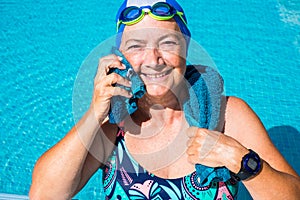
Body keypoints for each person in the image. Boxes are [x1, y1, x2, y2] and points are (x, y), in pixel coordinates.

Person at [29, 0, 300, 199]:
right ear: (119, 54)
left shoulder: (228, 117)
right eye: (136, 46)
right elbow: (43, 195)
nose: (153, 59)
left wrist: (240, 159)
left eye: (168, 43)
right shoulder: (114, 124)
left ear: (186, 47)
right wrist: (93, 114)